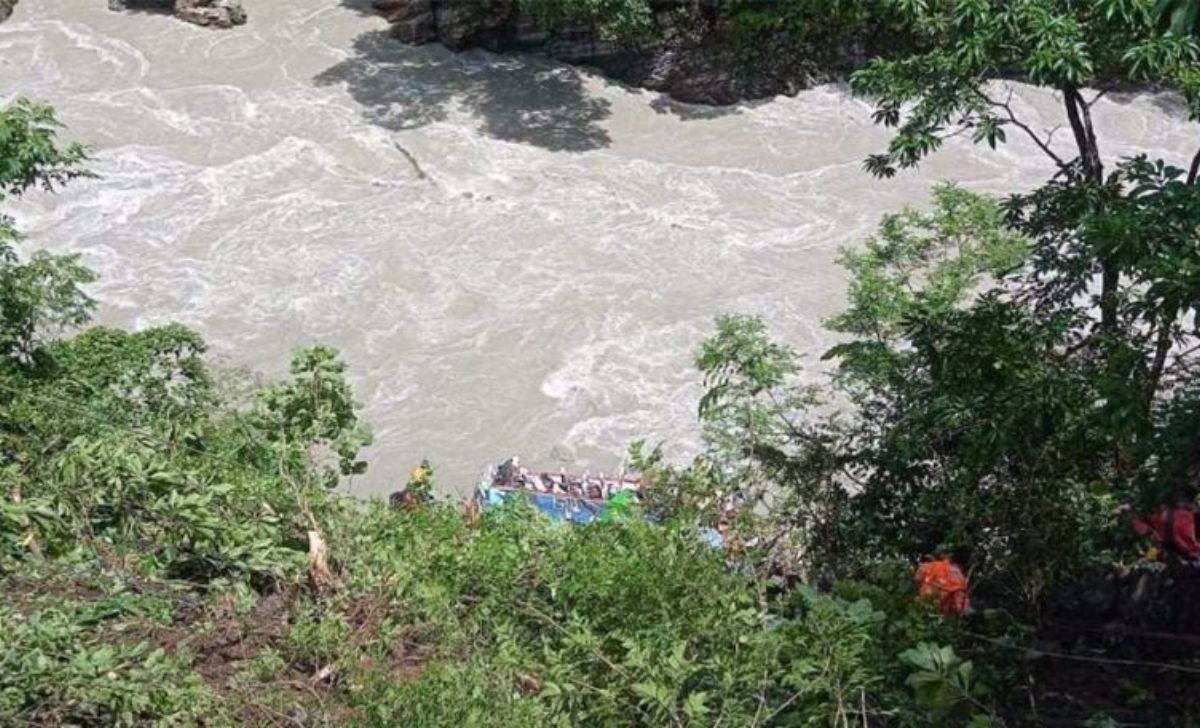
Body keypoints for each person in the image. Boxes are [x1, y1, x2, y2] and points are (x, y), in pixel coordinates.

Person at [1123, 486, 1200, 564]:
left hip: (1185, 559)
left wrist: (1130, 515)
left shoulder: (1166, 513)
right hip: (1180, 560)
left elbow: (1144, 529)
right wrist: (1130, 515)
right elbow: (1144, 529)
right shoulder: (1165, 514)